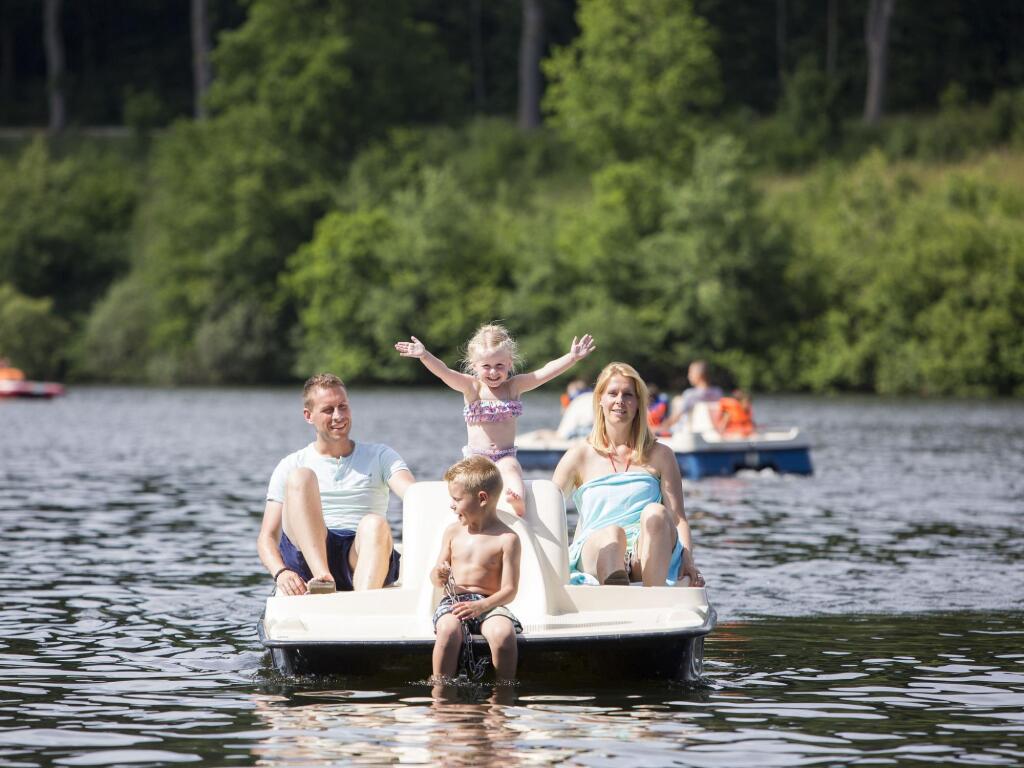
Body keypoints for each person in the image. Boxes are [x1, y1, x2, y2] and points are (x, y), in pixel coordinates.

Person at [395, 323, 595, 517]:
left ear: (509, 363)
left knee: (512, 470)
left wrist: (571, 357)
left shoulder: (513, 387)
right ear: (474, 366)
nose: (493, 372)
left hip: (505, 455)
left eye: (499, 365)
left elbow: (544, 373)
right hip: (476, 456)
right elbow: (444, 372)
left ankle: (516, 499)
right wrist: (424, 355)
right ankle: (459, 508)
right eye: (486, 366)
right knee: (462, 479)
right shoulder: (472, 388)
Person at [256, 373, 416, 596]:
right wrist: (280, 572)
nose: (338, 416)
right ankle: (323, 579)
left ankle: (364, 603)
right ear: (308, 416)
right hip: (309, 558)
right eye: (328, 410)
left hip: (360, 553)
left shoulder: (380, 455)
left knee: (375, 523)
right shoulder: (291, 464)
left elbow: (413, 493)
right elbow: (267, 537)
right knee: (301, 477)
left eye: (343, 406)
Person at [552, 362, 704, 587]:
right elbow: (548, 509)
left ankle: (653, 596)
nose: (620, 400)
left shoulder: (661, 455)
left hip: (645, 551)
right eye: (613, 393)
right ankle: (616, 587)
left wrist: (688, 560)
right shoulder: (579, 455)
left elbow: (678, 519)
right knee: (612, 535)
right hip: (598, 549)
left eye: (628, 395)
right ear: (600, 399)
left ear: (638, 403)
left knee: (656, 513)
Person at [430, 455, 522, 682]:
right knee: (448, 631)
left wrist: (481, 606)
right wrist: (439, 574)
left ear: (481, 498)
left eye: (457, 499)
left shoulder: (507, 539)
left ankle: (503, 691)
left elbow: (509, 590)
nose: (452, 504)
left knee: (504, 635)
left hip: (489, 604)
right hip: (454, 603)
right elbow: (435, 578)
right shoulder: (453, 532)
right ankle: (440, 688)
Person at [664, 360, 722, 434]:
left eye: (690, 372)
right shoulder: (718, 392)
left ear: (699, 375)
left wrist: (660, 428)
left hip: (685, 432)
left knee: (677, 400)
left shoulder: (690, 394)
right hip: (711, 431)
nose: (688, 376)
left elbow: (675, 417)